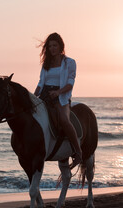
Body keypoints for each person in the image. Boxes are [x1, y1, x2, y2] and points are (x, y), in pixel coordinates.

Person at [34, 32, 82, 166]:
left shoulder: (69, 63)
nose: (52, 48)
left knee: (64, 120)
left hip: (61, 97)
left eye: (55, 45)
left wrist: (58, 92)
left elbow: (70, 84)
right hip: (45, 94)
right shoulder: (46, 64)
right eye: (50, 46)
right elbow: (40, 83)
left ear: (60, 46)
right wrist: (33, 97)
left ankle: (78, 152)